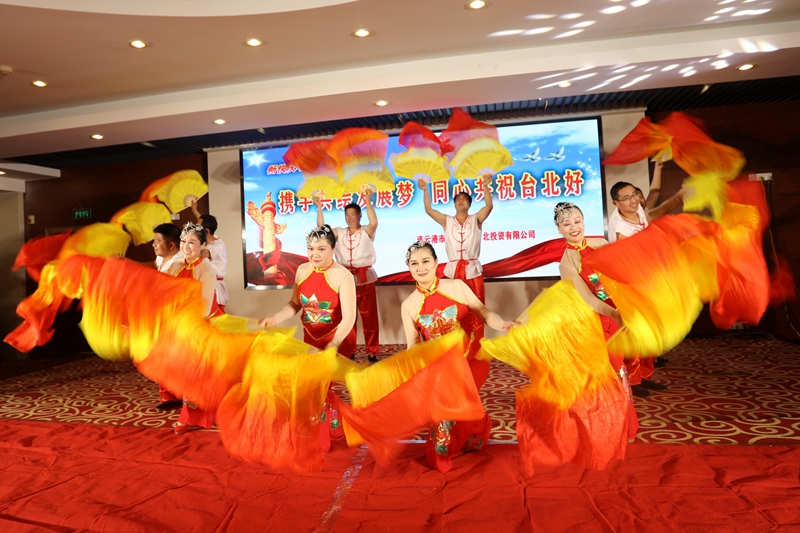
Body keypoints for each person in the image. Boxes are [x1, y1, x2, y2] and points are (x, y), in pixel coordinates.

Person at [401, 240, 516, 473]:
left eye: (425, 261)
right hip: (442, 369)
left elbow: (483, 312)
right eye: (414, 263)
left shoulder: (457, 287)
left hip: (472, 360)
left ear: (436, 263)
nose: (421, 267)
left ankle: (474, 422)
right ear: (409, 267)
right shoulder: (409, 305)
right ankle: (476, 423)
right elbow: (413, 345)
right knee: (446, 414)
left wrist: (503, 324)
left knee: (456, 405)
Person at [258, 225, 357, 452]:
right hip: (310, 338)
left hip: (338, 339)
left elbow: (349, 318)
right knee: (318, 387)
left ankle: (320, 439)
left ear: (333, 249)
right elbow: (295, 304)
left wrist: (332, 345)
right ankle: (337, 425)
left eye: (321, 249)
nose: (315, 254)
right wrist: (275, 318)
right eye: (311, 249)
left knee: (316, 386)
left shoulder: (343, 276)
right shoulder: (302, 270)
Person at [554, 202, 640, 439]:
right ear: (559, 229)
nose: (573, 227)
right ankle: (604, 427)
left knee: (620, 371)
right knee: (606, 374)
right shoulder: (566, 264)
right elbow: (589, 300)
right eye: (566, 224)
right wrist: (616, 314)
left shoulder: (600, 243)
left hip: (618, 315)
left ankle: (624, 424)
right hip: (596, 323)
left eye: (577, 221)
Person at [417, 172, 493, 340]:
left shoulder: (476, 219)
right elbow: (429, 210)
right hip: (452, 272)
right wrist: (425, 190)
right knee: (453, 309)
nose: (461, 201)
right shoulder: (447, 221)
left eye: (464, 199)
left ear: (470, 204)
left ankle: (477, 344)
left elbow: (488, 206)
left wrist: (485, 186)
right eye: (458, 199)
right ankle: (456, 344)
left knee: (477, 308)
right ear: (454, 204)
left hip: (472, 271)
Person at [168, 223, 224, 435]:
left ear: (202, 246)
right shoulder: (174, 267)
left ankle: (199, 416)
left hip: (204, 326)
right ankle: (193, 415)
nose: (186, 246)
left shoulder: (206, 270)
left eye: (192, 242)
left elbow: (205, 307)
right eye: (183, 241)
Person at [314, 189, 380, 363]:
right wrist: (319, 207)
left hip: (365, 277)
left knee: (369, 317)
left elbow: (374, 222)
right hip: (345, 279)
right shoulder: (339, 232)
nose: (350, 217)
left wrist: (367, 200)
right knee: (348, 317)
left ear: (359, 215)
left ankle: (372, 351)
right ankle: (349, 349)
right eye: (347, 215)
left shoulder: (366, 231)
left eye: (353, 214)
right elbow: (322, 230)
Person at [151, 223, 184, 410]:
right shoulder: (162, 259)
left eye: (157, 241)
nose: (153, 244)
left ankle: (178, 395)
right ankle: (170, 395)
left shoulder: (179, 264)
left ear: (171, 245)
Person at [191, 201, 228, 313]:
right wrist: (194, 210)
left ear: (206, 231)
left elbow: (200, 253)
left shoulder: (215, 248)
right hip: (208, 285)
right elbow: (203, 225)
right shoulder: (213, 236)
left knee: (214, 318)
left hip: (214, 289)